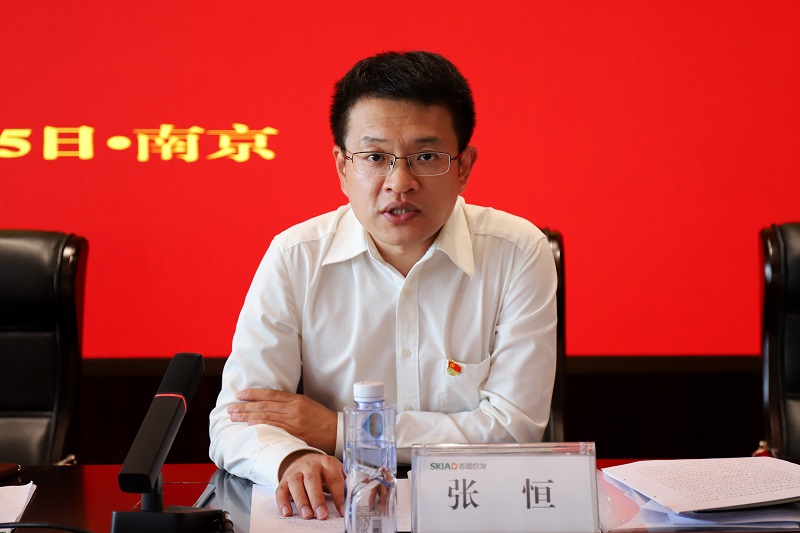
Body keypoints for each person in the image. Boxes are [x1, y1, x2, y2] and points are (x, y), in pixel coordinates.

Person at [209, 50, 557, 521]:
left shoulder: (518, 251)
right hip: (338, 507)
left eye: (427, 157)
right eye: (375, 157)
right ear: (342, 168)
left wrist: (340, 432)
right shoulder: (296, 256)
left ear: (464, 167)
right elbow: (236, 419)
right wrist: (291, 457)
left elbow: (513, 431)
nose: (400, 182)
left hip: (473, 507)